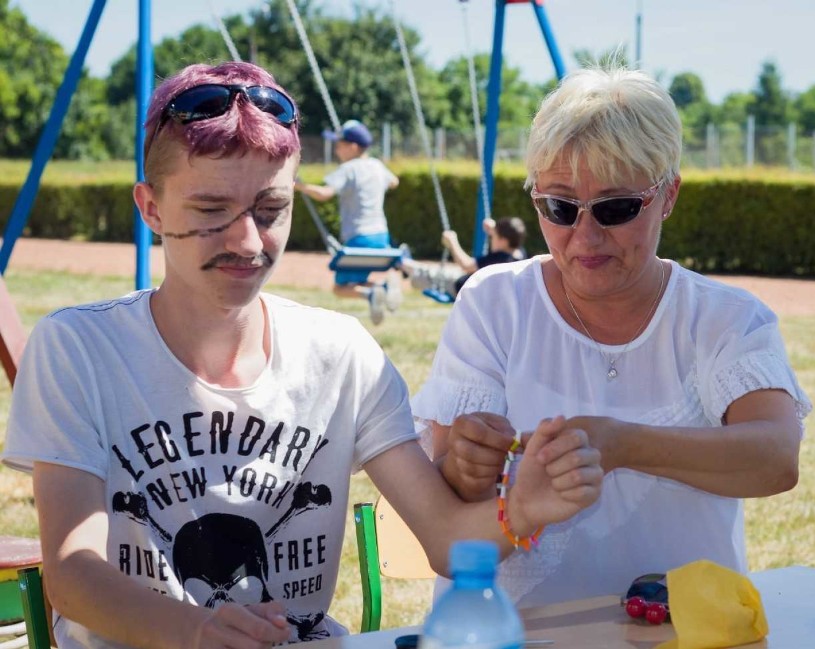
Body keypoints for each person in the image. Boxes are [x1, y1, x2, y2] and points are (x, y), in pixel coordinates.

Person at [0, 61, 604, 648]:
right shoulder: (78, 349)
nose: (245, 240)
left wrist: (519, 508)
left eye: (271, 211)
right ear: (151, 207)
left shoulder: (340, 356)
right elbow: (72, 576)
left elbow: (445, 538)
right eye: (211, 210)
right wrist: (195, 632)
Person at [411, 66, 811, 608]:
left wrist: (621, 445)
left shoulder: (725, 319)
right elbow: (446, 510)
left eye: (616, 207)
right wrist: (463, 464)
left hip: (677, 634)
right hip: (514, 634)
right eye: (559, 207)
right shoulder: (494, 303)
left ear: (668, 196)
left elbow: (776, 457)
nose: (586, 234)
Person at [294, 119, 402, 325]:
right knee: (358, 280)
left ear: (352, 147)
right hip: (381, 236)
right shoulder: (376, 166)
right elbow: (394, 182)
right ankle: (384, 289)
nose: (336, 149)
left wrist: (301, 186)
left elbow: (325, 193)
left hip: (359, 237)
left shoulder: (349, 169)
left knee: (340, 288)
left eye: (339, 144)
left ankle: (373, 295)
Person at [402, 216, 527, 299]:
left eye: (494, 236)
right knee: (437, 270)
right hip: (465, 280)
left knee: (426, 273)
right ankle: (404, 264)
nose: (491, 239)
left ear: (504, 241)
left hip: (458, 287)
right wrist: (494, 228)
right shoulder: (519, 253)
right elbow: (507, 233)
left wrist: (452, 241)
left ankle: (401, 262)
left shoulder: (500, 259)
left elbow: (466, 265)